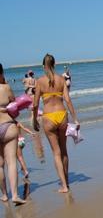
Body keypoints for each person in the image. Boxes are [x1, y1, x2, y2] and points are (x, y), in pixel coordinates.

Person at [33, 54, 77, 193]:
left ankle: (63, 186)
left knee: (56, 153)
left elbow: (34, 104)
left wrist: (34, 119)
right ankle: (67, 182)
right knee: (64, 151)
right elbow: (68, 100)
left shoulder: (40, 81)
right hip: (62, 115)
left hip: (49, 118)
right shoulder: (61, 79)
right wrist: (75, 118)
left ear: (43, 66)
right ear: (54, 64)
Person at [0, 64, 29, 204]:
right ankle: (15, 196)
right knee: (11, 162)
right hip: (7, 126)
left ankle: (4, 195)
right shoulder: (5, 87)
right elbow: (14, 102)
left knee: (0, 164)